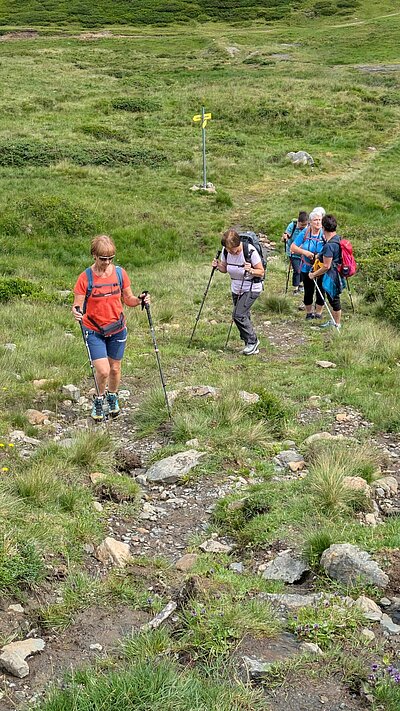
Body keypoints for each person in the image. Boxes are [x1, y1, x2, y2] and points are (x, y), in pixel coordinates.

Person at [72, 234, 149, 421]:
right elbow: (77, 305)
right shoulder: (85, 278)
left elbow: (128, 300)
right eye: (102, 258)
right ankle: (98, 399)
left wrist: (140, 300)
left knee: (115, 369)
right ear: (94, 256)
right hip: (94, 330)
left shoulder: (120, 274)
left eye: (110, 259)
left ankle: (112, 397)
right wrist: (76, 312)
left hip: (117, 328)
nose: (106, 262)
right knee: (103, 370)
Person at [212, 229, 264, 355]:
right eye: (228, 249)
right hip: (236, 287)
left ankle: (253, 341)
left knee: (238, 315)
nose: (231, 252)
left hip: (252, 287)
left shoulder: (250, 251)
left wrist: (251, 270)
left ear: (238, 244)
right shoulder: (226, 251)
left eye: (233, 249)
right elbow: (225, 268)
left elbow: (261, 271)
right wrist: (218, 266)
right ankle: (250, 344)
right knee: (243, 315)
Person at [309, 214, 343, 329]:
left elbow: (326, 266)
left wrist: (313, 274)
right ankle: (335, 322)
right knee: (333, 298)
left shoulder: (329, 245)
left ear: (323, 228)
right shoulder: (338, 239)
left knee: (334, 300)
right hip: (338, 273)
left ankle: (337, 324)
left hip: (331, 275)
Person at [290, 209, 325, 320]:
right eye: (315, 220)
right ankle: (309, 312)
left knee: (321, 290)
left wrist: (320, 255)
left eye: (320, 220)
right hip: (307, 267)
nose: (318, 222)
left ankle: (318, 313)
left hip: (321, 267)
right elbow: (293, 247)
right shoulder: (305, 232)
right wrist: (305, 252)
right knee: (308, 290)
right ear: (310, 222)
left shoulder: (324, 233)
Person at [282, 210, 309, 294]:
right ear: (298, 221)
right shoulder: (292, 226)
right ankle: (296, 287)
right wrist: (285, 237)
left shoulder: (308, 228)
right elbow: (286, 236)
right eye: (302, 225)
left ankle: (300, 284)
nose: (303, 227)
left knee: (303, 270)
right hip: (292, 252)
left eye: (305, 225)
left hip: (304, 252)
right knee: (297, 270)